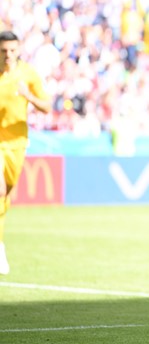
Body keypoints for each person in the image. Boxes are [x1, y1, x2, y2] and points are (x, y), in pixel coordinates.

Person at [0, 31, 52, 275]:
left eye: (11, 50)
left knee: (5, 198)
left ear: (18, 49)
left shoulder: (28, 74)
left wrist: (28, 95)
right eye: (3, 51)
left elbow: (47, 107)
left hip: (18, 144)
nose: (8, 55)